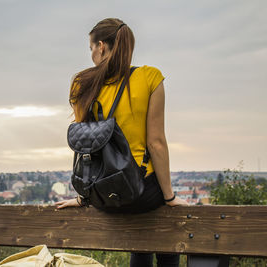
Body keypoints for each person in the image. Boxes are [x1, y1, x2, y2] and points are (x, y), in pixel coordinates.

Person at [55, 18, 189, 266]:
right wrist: (169, 197)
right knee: (163, 235)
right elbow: (156, 142)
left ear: (102, 46)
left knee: (140, 242)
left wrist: (84, 197)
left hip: (102, 195)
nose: (92, 53)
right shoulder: (150, 78)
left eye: (91, 48)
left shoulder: (81, 84)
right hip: (141, 193)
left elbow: (87, 146)